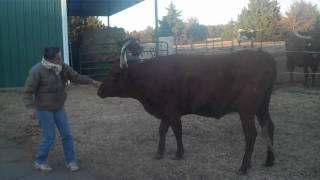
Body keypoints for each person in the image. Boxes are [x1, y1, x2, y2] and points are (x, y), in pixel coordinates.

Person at [23, 47, 100, 172]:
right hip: (44, 108)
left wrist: (91, 81)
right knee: (49, 137)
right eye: (58, 58)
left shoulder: (62, 67)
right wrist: (30, 108)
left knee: (67, 134)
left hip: (58, 107)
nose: (60, 60)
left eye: (60, 57)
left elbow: (76, 77)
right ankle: (40, 161)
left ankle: (71, 161)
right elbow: (28, 91)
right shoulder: (37, 70)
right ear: (49, 59)